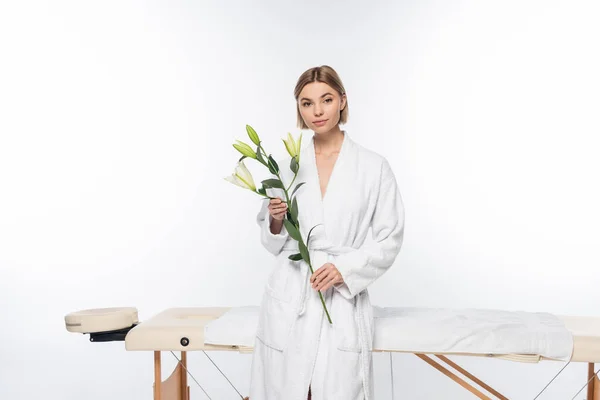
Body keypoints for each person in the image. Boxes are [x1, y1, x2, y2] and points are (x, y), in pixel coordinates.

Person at [248, 65, 405, 400]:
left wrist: (344, 270)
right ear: (299, 109)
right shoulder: (287, 163)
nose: (317, 111)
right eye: (306, 103)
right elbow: (273, 237)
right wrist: (276, 218)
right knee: (288, 387)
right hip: (292, 287)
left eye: (326, 99)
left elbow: (389, 238)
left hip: (340, 295)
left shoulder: (373, 166)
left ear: (342, 101)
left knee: (338, 387)